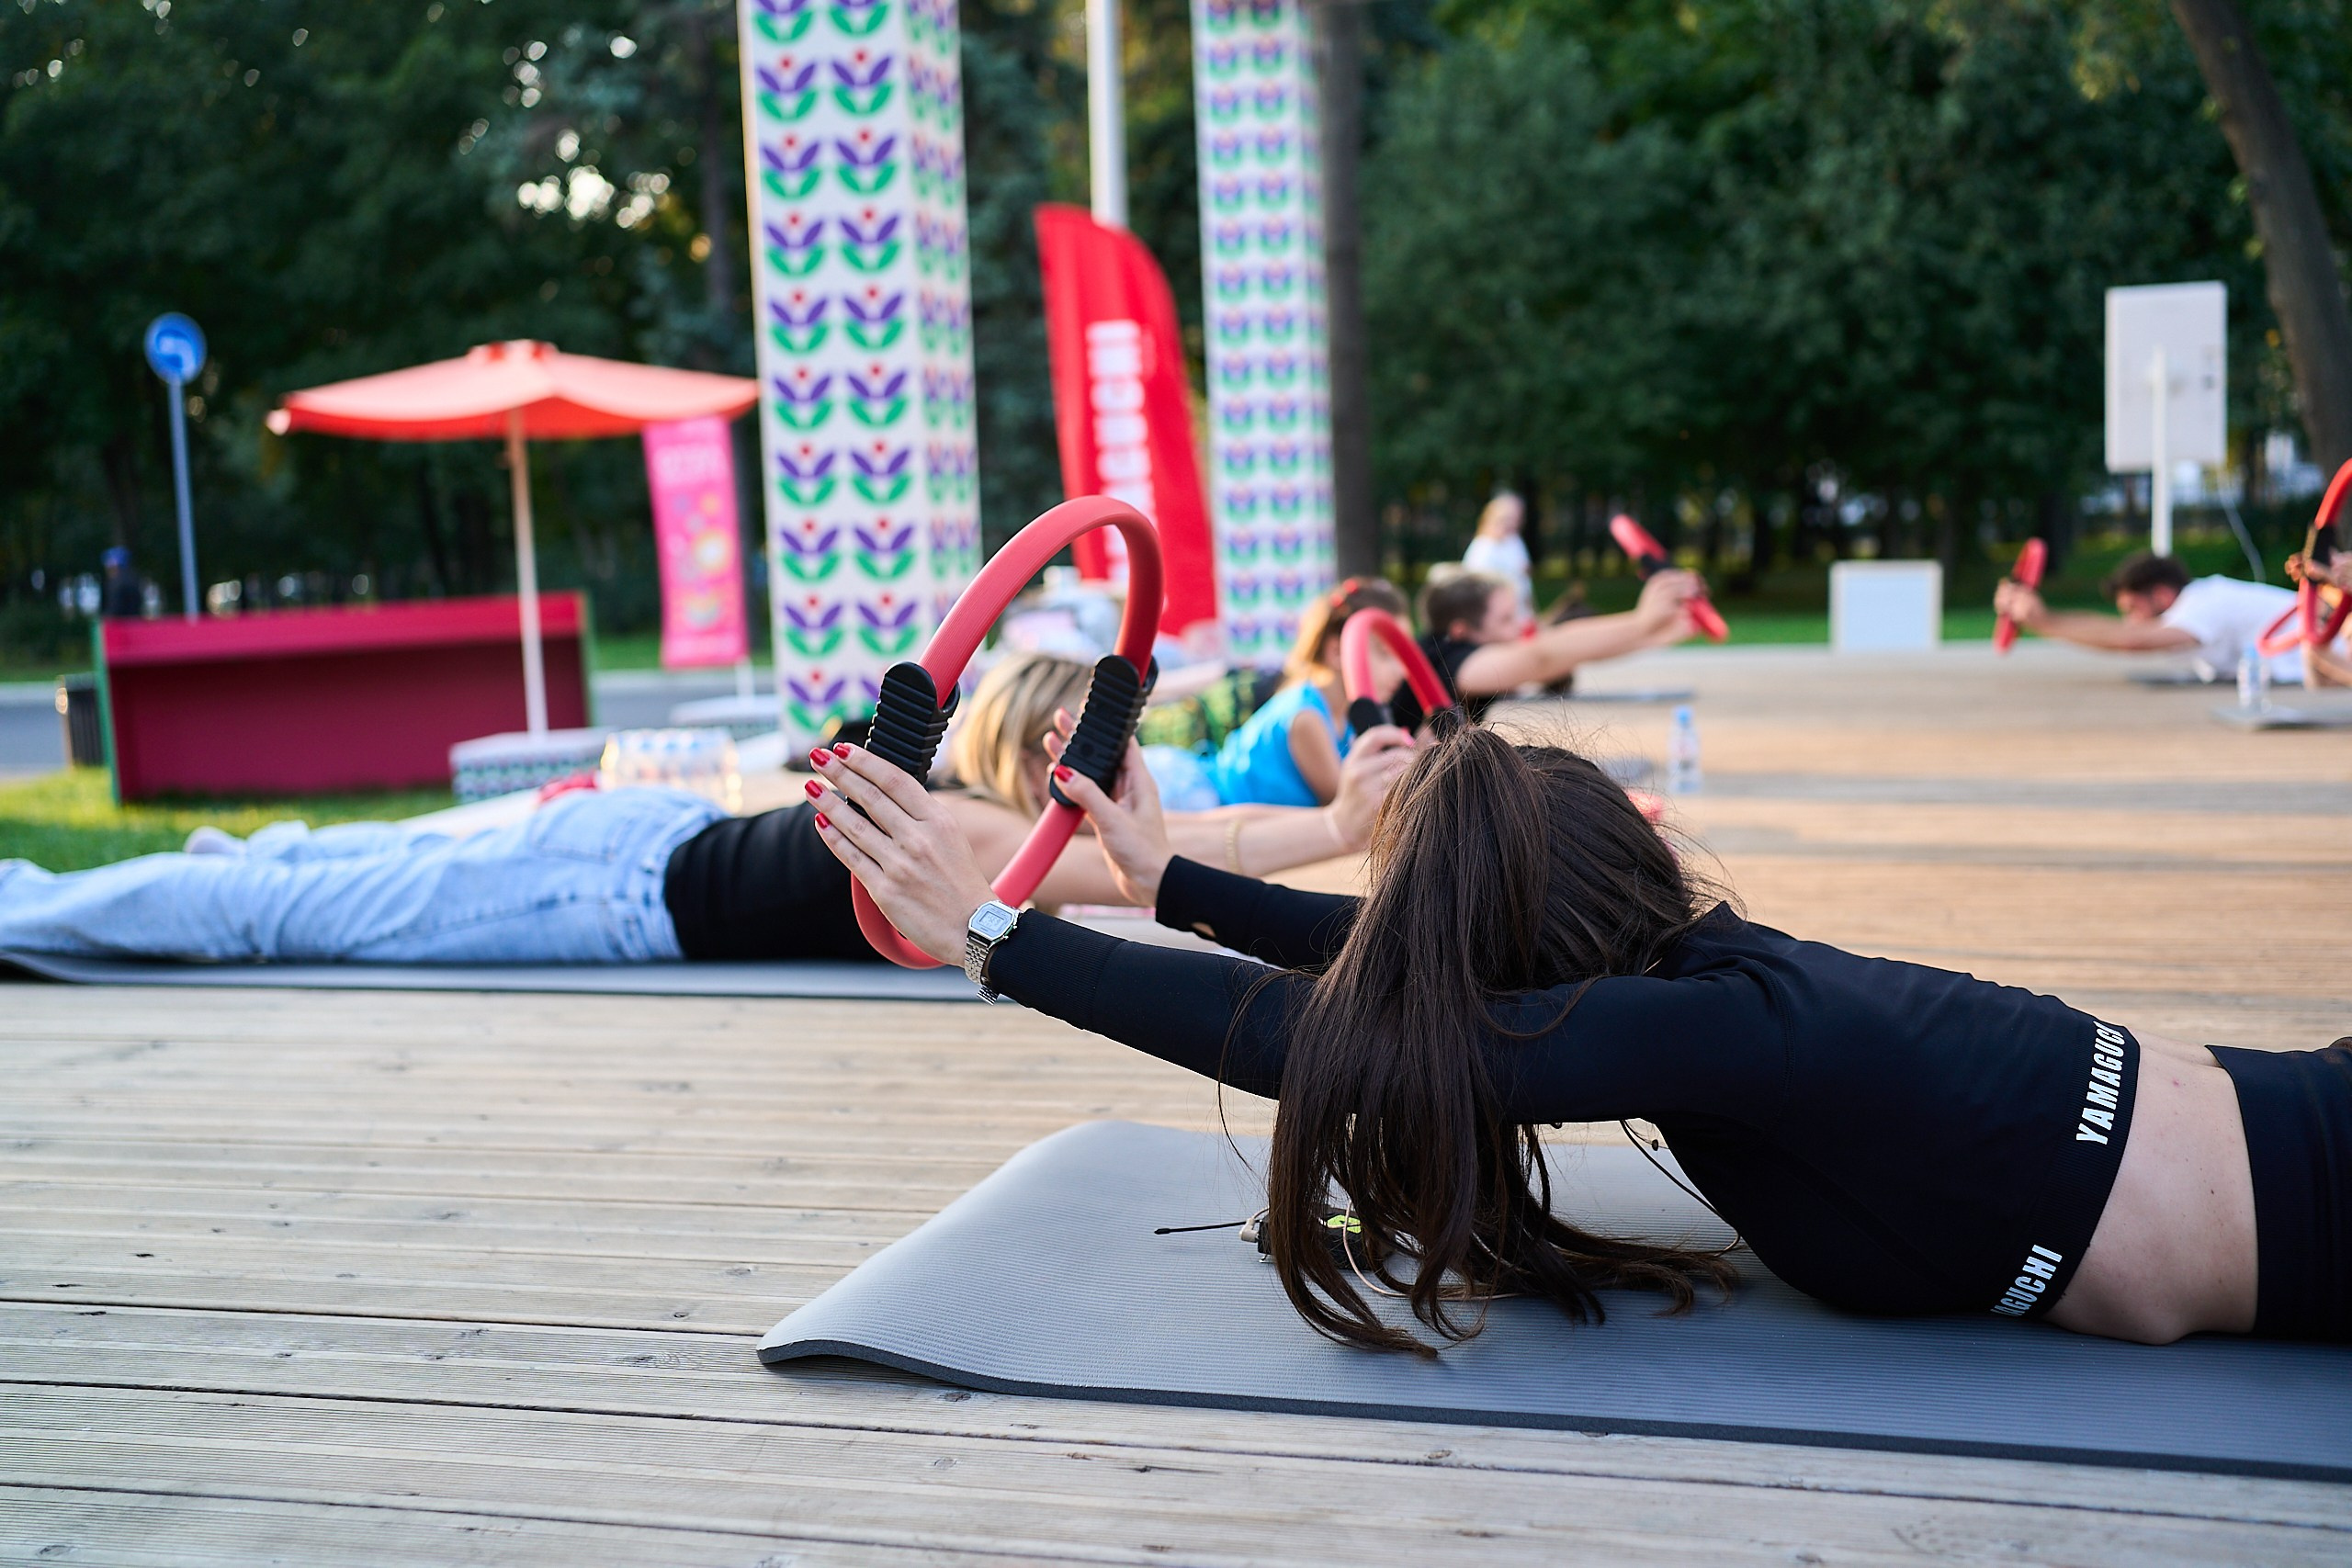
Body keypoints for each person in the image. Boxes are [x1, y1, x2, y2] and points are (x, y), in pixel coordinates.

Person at [808, 720, 2348, 1348]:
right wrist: (1168, 883)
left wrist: (999, 936)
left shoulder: (1727, 1042)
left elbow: (1342, 1045)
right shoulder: (1717, 988)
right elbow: (1401, 987)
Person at [0, 654, 1416, 964]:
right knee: (275, 922)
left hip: (622, 847)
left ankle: (220, 859)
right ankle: (39, 906)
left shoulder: (965, 822)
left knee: (323, 877)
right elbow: (1157, 874)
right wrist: (1345, 835)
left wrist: (1344, 834)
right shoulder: (979, 839)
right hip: (601, 885)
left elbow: (1168, 860)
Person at [1147, 578, 1412, 810]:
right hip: (1192, 798)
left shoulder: (1343, 716)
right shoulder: (1307, 717)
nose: (1401, 671)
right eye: (1385, 654)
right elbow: (1348, 805)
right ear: (1336, 652)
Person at [1416, 565, 1704, 721]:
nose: (1519, 627)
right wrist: (1640, 622)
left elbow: (1562, 655)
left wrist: (1652, 633)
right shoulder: (1443, 657)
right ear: (1460, 630)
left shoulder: (1455, 650)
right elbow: (1541, 658)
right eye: (1505, 620)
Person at [1994, 553, 2331, 684]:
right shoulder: (2202, 598)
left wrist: (2045, 621)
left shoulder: (2203, 605)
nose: (2129, 621)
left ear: (2162, 596)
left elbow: (2129, 642)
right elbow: (2124, 635)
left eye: (2132, 610)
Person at [1462, 492, 1533, 615]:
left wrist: (1532, 613)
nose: (1512, 523)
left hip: (1520, 614)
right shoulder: (1482, 548)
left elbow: (1525, 582)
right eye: (1506, 518)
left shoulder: (1514, 541)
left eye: (1516, 518)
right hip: (1495, 616)